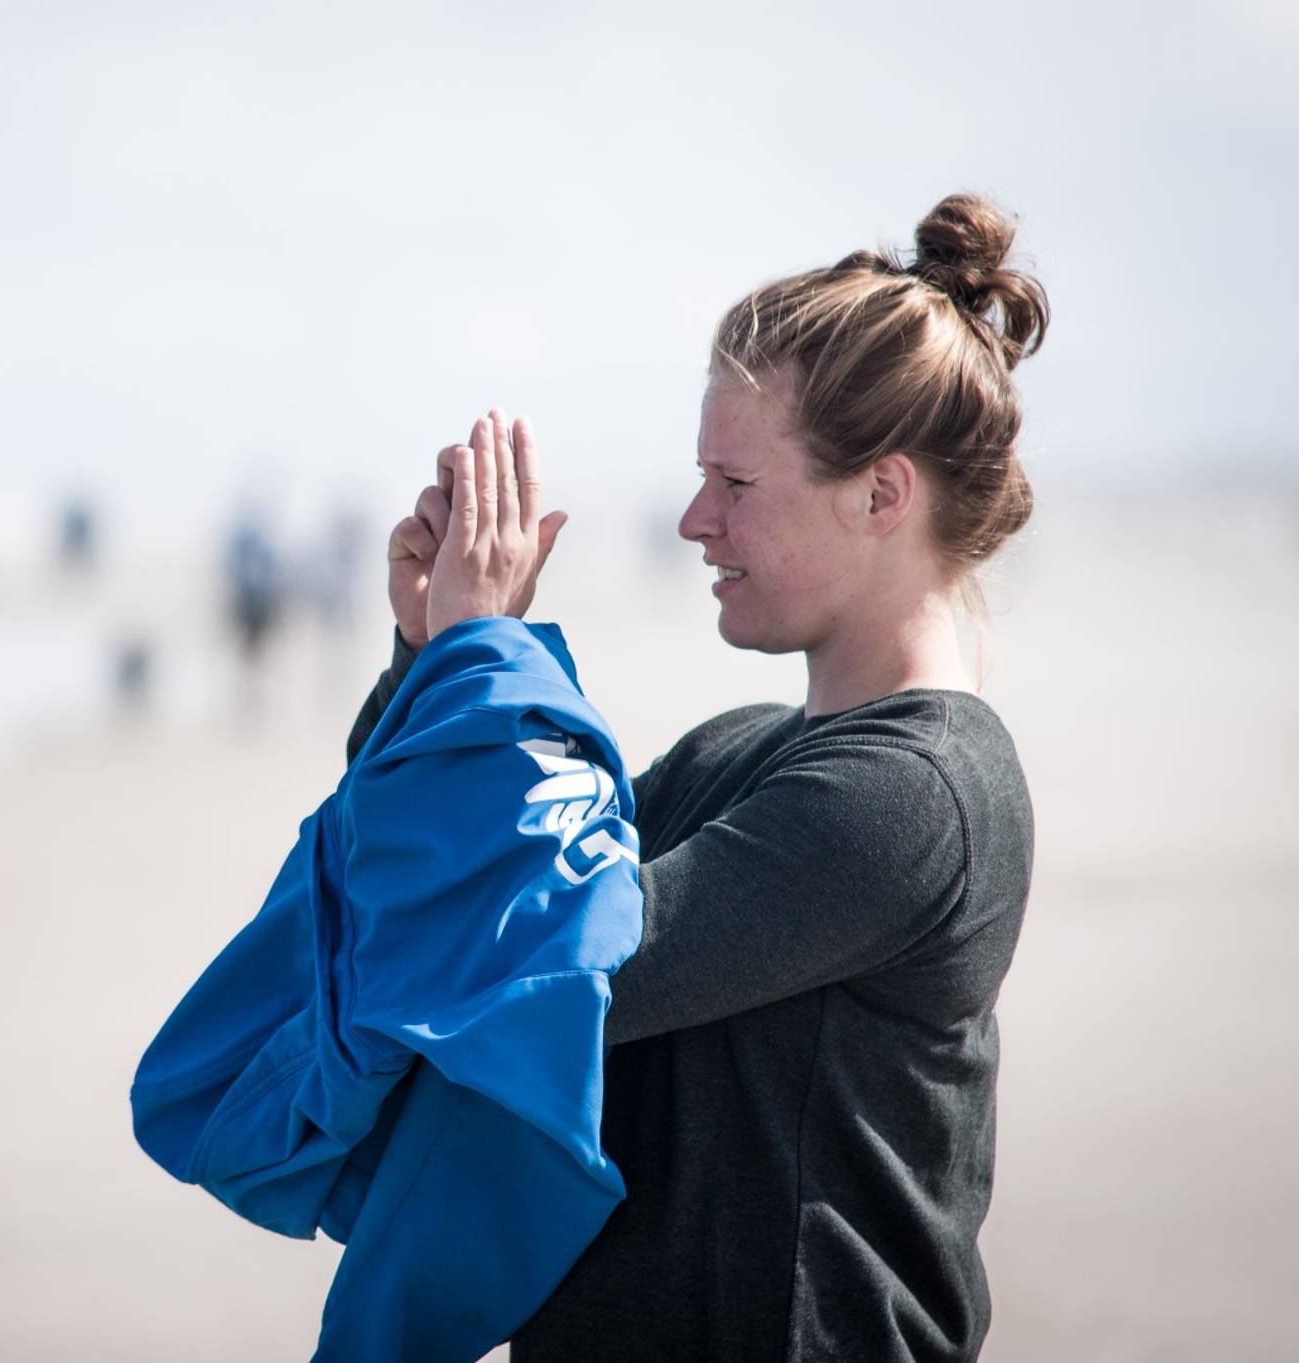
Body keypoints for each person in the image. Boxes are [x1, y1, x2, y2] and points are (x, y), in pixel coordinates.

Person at [345, 193, 1044, 1362]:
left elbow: (548, 971)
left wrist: (481, 667)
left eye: (734, 484)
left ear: (880, 494)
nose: (691, 520)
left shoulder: (920, 797)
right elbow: (418, 900)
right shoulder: (736, 753)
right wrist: (431, 660)